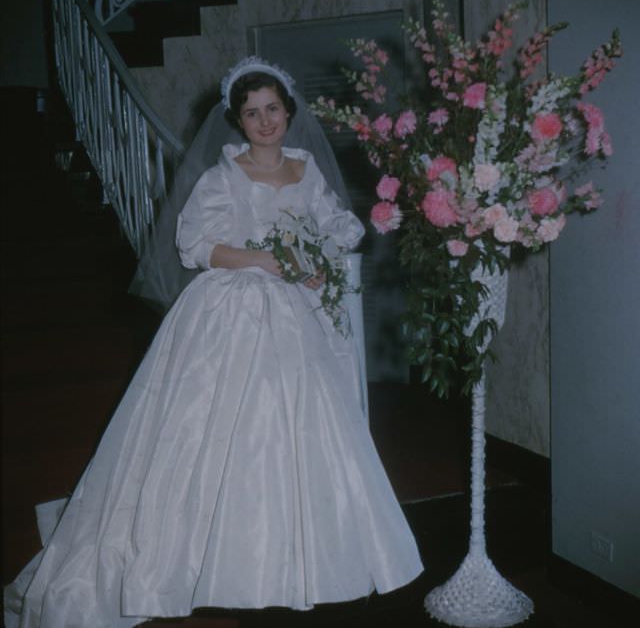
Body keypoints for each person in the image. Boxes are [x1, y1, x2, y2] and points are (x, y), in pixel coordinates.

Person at [4, 58, 424, 627]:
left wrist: (315, 261)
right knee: (218, 428)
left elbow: (338, 226)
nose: (265, 121)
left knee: (299, 429)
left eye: (272, 108)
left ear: (288, 110)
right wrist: (263, 260)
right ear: (238, 121)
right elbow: (195, 245)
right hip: (231, 307)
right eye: (251, 113)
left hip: (295, 315)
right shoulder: (223, 175)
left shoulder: (306, 170)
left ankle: (293, 553)